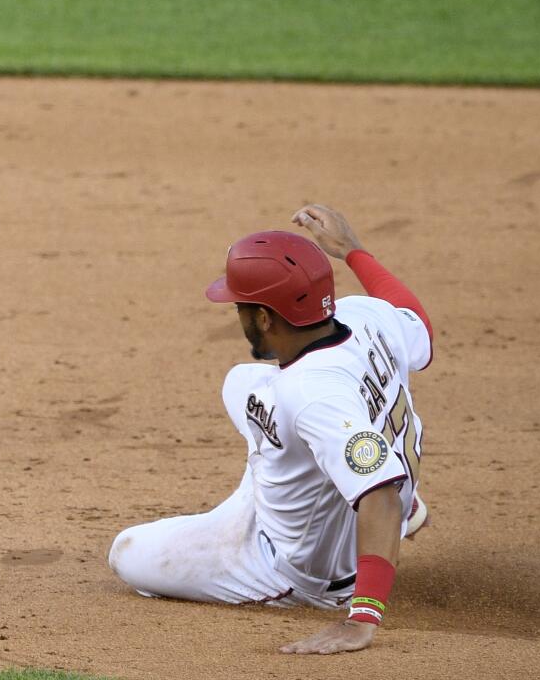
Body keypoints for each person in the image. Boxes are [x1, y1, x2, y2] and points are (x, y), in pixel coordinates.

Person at [108, 204, 434, 654]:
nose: (236, 314)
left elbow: (378, 494)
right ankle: (385, 490)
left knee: (128, 554)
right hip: (351, 456)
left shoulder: (312, 396)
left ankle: (333, 569)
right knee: (242, 383)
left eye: (241, 307)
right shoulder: (364, 315)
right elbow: (416, 318)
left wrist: (362, 618)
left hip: (301, 567)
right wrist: (355, 252)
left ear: (264, 317)